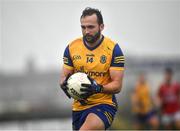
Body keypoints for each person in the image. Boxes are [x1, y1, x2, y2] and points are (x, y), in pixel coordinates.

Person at [59, 7, 125, 130]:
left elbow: (117, 85)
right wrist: (64, 85)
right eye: (83, 27)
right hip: (79, 107)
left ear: (101, 27)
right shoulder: (71, 48)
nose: (86, 31)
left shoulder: (113, 49)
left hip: (104, 105)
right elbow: (64, 77)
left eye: (90, 27)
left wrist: (98, 88)